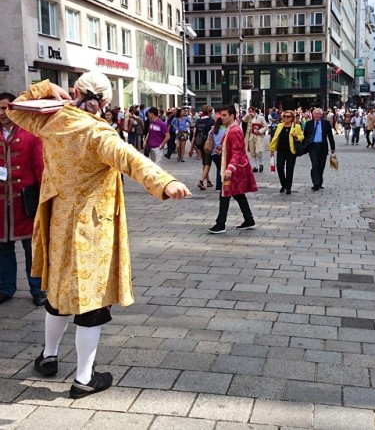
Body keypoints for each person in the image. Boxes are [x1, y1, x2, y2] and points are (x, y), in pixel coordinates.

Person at [7, 72, 191, 399]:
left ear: (75, 92)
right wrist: (164, 182)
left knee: (60, 294)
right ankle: (83, 378)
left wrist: (45, 87)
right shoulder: (96, 131)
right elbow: (129, 158)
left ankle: (49, 357)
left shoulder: (53, 121)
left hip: (58, 222)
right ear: (105, 102)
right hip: (90, 229)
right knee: (92, 304)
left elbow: (14, 108)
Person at [0, 92, 45, 306]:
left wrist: (45, 198)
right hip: (1, 205)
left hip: (26, 202)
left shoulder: (31, 134)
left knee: (32, 249)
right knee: (3, 248)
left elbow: (40, 168)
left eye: (7, 108)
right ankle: (6, 288)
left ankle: (37, 289)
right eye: (0, 109)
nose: (3, 113)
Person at [207, 104, 257, 234]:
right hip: (234, 168)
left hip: (233, 169)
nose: (221, 117)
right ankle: (249, 219)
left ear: (232, 116)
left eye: (224, 115)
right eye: (221, 114)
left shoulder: (234, 130)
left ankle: (220, 224)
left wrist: (230, 168)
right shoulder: (231, 128)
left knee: (225, 194)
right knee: (237, 193)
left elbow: (237, 152)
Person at [269, 110, 304, 194]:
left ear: (292, 118)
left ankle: (288, 187)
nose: (286, 118)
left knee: (289, 169)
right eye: (284, 116)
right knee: (280, 167)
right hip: (281, 150)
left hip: (291, 151)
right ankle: (283, 184)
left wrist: (296, 136)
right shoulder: (280, 125)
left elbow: (302, 136)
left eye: (288, 116)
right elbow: (275, 138)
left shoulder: (297, 126)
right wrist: (272, 150)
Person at [302, 108, 336, 191]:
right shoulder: (309, 124)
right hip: (312, 147)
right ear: (313, 115)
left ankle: (320, 182)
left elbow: (330, 136)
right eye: (315, 114)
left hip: (322, 147)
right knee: (315, 165)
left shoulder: (326, 124)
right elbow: (305, 136)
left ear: (321, 115)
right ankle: (315, 183)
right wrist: (302, 147)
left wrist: (333, 148)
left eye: (318, 114)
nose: (317, 115)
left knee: (321, 166)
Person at [191, 105, 215, 190]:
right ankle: (201, 181)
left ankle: (208, 181)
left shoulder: (198, 121)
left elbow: (194, 134)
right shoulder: (211, 121)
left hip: (199, 143)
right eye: (211, 111)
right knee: (208, 163)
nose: (212, 113)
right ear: (209, 112)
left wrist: (191, 147)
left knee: (204, 162)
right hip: (208, 144)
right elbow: (213, 133)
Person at [243, 107, 268, 172]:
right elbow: (243, 119)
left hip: (258, 136)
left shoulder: (260, 118)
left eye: (251, 111)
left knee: (258, 151)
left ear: (254, 111)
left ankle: (261, 164)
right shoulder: (248, 117)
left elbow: (266, 126)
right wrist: (248, 115)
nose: (250, 113)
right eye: (249, 111)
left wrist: (260, 131)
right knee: (252, 152)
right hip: (250, 136)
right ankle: (255, 166)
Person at [208, 117, 227, 191]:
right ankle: (222, 185)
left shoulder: (213, 129)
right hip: (222, 151)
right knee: (222, 168)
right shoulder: (225, 130)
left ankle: (218, 186)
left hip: (213, 152)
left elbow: (209, 137)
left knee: (218, 168)